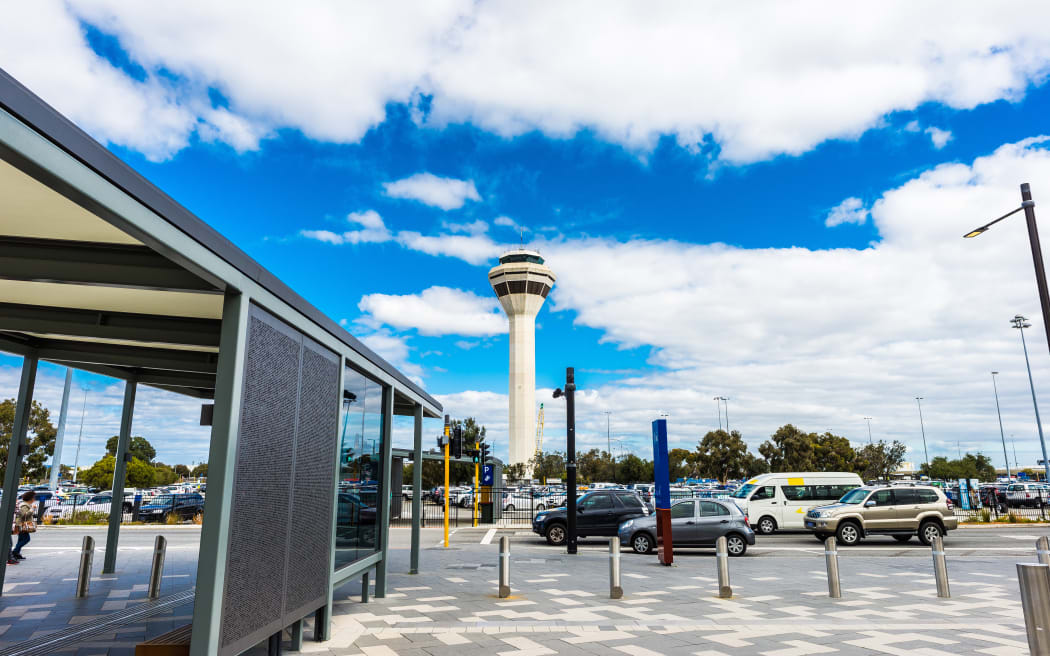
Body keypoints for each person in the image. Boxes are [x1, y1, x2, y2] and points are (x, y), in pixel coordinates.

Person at [9, 490, 36, 564]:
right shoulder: (24, 505)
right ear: (30, 499)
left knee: (21, 539)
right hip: (22, 525)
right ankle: (15, 552)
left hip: (21, 524)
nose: (34, 499)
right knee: (26, 539)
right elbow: (24, 515)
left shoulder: (25, 504)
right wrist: (32, 510)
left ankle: (16, 553)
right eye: (34, 498)